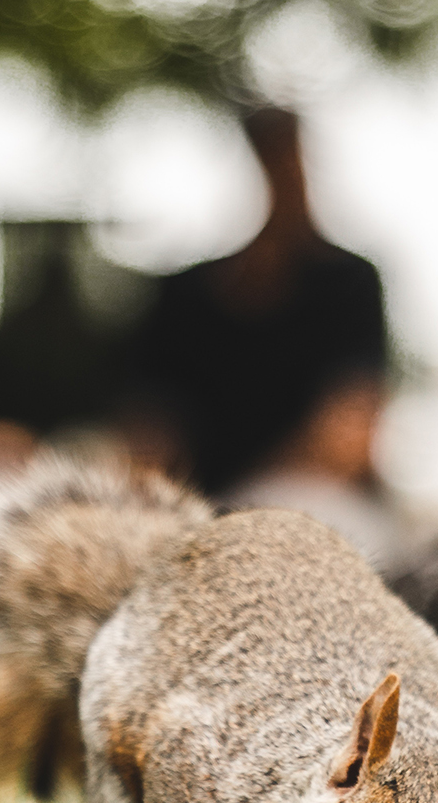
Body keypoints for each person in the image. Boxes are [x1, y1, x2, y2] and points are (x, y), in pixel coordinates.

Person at [129, 108, 390, 514]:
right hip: (198, 507)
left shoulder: (349, 284)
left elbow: (348, 435)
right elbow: (150, 432)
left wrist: (248, 502)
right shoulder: (182, 295)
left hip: (303, 501)